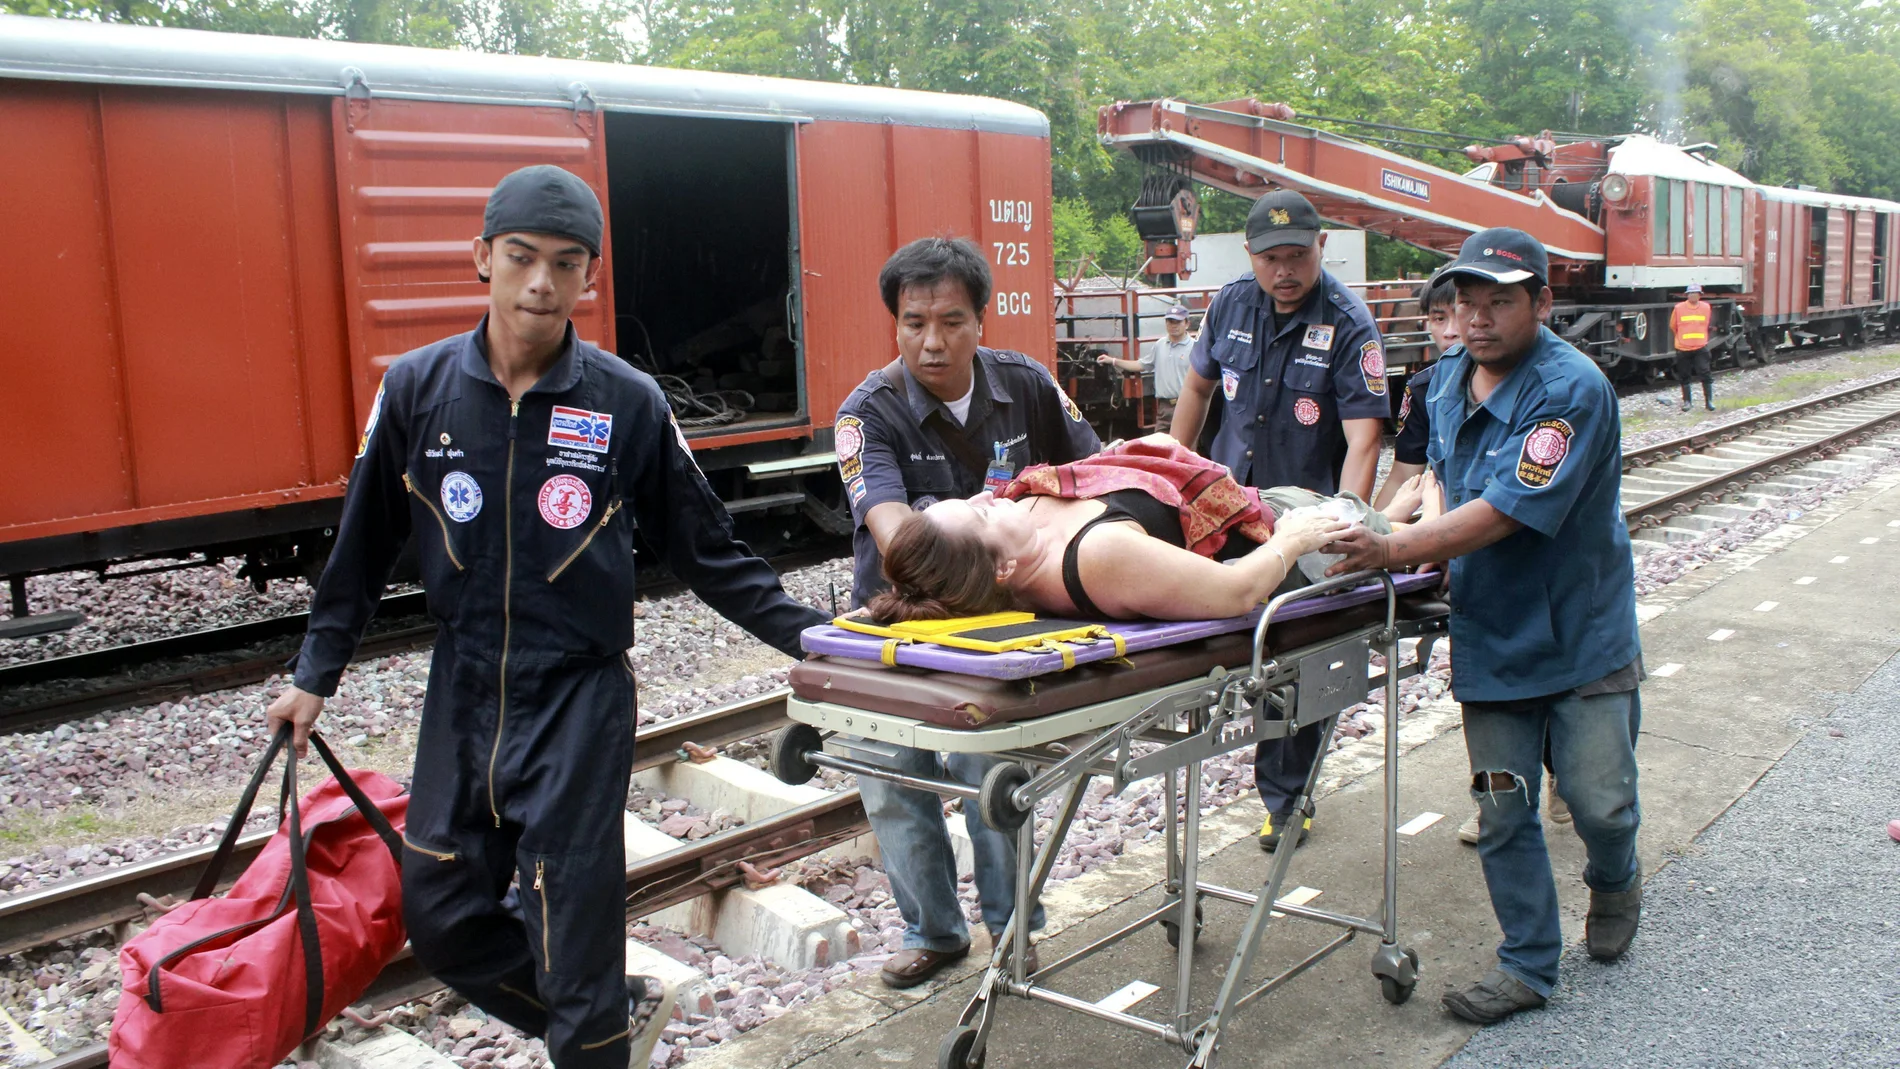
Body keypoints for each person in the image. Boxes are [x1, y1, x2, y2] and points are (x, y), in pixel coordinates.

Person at [264, 165, 826, 1067]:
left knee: (574, 929)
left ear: (589, 278)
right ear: (480, 257)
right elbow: (362, 546)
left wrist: (815, 636)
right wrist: (312, 678)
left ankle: (592, 1027)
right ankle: (603, 1024)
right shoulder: (416, 390)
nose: (541, 282)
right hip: (465, 688)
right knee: (441, 916)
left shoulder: (626, 401)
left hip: (579, 696)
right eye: (521, 258)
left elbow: (708, 548)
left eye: (566, 264)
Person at [1324, 227, 1644, 1025]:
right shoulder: (1441, 384)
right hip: (1495, 635)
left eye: (1500, 301)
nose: (1477, 318)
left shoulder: (1569, 391)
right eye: (1466, 302)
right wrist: (1385, 541)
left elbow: (1504, 510)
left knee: (1600, 801)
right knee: (1503, 806)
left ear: (1541, 302)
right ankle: (1530, 965)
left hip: (1582, 634)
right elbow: (1438, 479)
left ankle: (1614, 877)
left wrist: (1391, 547)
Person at [834, 236, 1100, 989]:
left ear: (983, 319)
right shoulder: (866, 416)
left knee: (995, 779)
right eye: (914, 321)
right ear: (895, 324)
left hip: (1002, 635)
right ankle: (934, 931)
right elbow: (898, 539)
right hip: (902, 631)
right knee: (891, 778)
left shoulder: (1030, 388)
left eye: (951, 320)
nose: (932, 340)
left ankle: (1016, 929)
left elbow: (1090, 474)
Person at [1166, 189, 1392, 852]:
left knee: (1294, 656)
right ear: (1250, 256)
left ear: (1322, 247)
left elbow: (1364, 440)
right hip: (1229, 507)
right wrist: (1174, 470)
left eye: (1298, 255)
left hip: (1304, 518)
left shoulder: (1349, 323)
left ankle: (1286, 799)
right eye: (1271, 258)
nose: (1284, 270)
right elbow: (1198, 388)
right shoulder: (1231, 303)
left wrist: (1341, 528)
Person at [865, 434, 1419, 624]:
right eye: (981, 512)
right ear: (1002, 569)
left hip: (1255, 504)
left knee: (1398, 510)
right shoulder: (1098, 557)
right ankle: (1418, 517)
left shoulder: (1018, 533)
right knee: (1426, 532)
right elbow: (1237, 593)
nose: (988, 496)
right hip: (1292, 545)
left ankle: (1402, 513)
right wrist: (1294, 536)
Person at [1098, 303, 1195, 429]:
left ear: (1187, 324)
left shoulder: (1195, 347)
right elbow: (1141, 365)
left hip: (1186, 405)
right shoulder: (1160, 345)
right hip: (1164, 408)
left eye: (1178, 322)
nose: (1173, 325)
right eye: (1170, 322)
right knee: (1159, 446)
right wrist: (1113, 360)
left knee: (1184, 446)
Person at [1670, 284, 1714, 413]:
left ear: (1700, 295)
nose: (1693, 295)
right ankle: (1687, 402)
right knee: (1684, 375)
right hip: (1683, 347)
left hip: (1701, 346)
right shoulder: (1679, 308)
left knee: (1705, 372)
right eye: (1691, 293)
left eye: (1696, 293)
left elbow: (1706, 324)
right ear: (1686, 295)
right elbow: (1673, 325)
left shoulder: (1706, 307)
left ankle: (1709, 401)